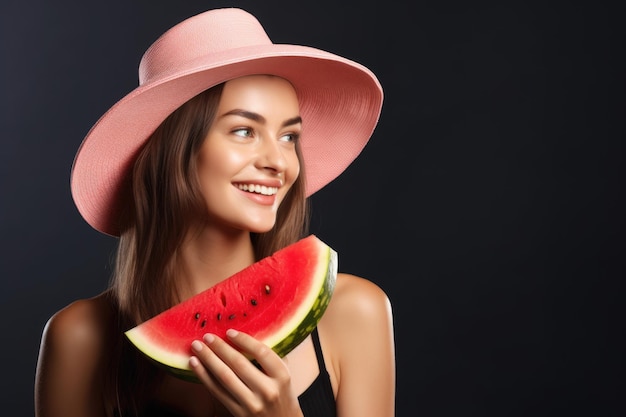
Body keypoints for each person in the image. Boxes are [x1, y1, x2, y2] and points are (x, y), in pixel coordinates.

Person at [34, 7, 395, 417]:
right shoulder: (80, 339)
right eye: (244, 130)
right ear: (172, 152)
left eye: (289, 136)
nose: (280, 162)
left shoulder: (353, 312)